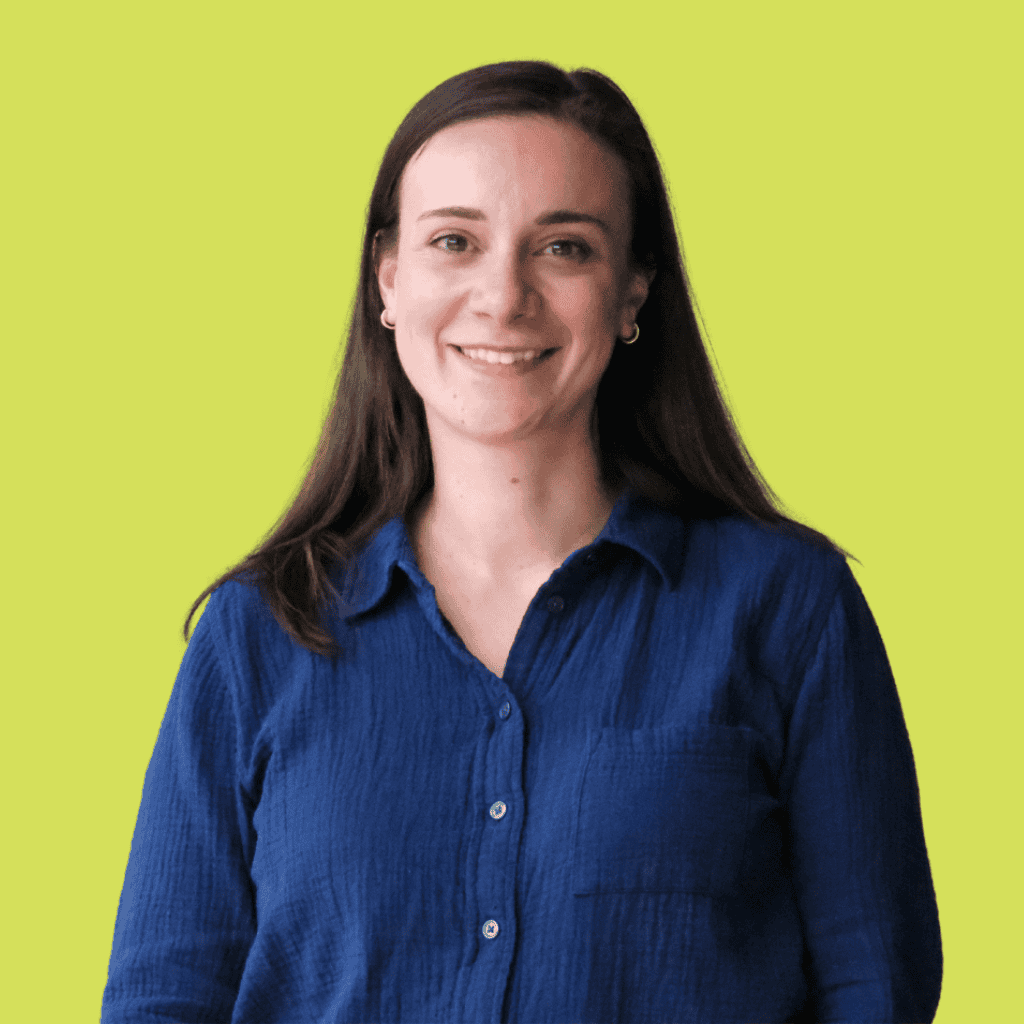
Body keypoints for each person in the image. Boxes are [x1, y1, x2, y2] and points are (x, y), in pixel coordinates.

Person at [102, 61, 942, 1023]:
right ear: (389, 279)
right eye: (454, 240)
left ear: (632, 294)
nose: (503, 297)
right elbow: (163, 999)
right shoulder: (261, 632)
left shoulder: (788, 607)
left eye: (565, 249)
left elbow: (876, 987)